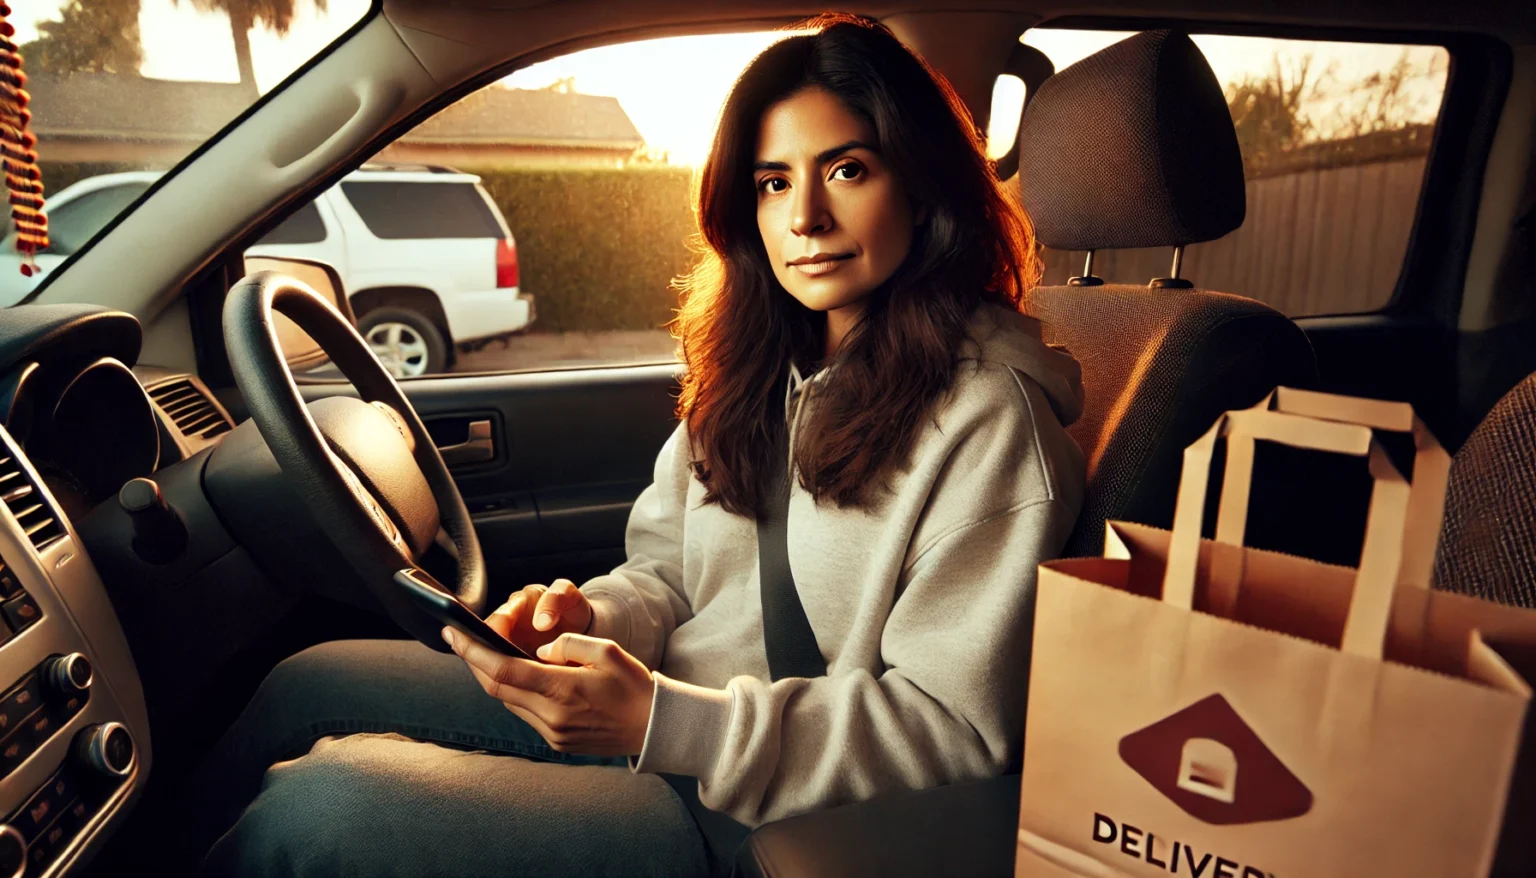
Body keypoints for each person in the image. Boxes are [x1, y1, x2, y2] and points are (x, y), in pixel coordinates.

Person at [190, 14, 1084, 877]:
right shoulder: (760, 367)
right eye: (774, 182)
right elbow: (668, 573)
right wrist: (590, 619)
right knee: (308, 683)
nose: (805, 216)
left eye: (847, 169)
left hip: (769, 815)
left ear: (922, 189)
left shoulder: (991, 424)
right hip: (661, 725)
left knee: (319, 814)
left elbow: (953, 731)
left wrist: (666, 722)